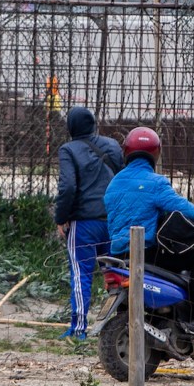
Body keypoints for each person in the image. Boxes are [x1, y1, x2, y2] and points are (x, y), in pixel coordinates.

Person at [103, 126, 194, 314]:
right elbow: (183, 207)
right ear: (156, 153)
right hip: (146, 253)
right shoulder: (155, 182)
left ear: (126, 151)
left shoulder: (113, 183)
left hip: (118, 255)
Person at [54, 106, 124, 340]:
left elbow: (68, 187)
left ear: (71, 127)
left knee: (80, 273)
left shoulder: (68, 150)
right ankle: (119, 326)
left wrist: (61, 218)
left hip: (83, 224)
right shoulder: (113, 145)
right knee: (116, 274)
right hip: (113, 222)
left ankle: (79, 329)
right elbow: (121, 178)